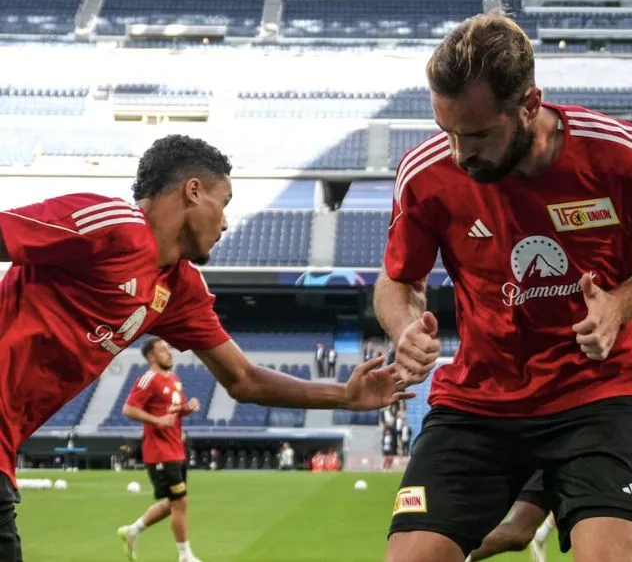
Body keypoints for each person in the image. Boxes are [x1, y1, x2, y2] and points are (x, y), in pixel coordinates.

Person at [376, 10, 632, 560]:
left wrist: (620, 304)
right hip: (479, 401)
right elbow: (398, 281)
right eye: (447, 132)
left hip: (594, 395)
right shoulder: (426, 175)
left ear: (530, 105)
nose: (459, 154)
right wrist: (404, 327)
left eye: (478, 134)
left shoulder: (621, 158)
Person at [0, 134, 412, 562]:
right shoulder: (110, 223)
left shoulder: (180, 289)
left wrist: (343, 395)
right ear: (193, 191)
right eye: (225, 201)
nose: (228, 223)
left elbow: (244, 379)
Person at [466, 316, 632, 562]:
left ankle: (451, 555)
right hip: (592, 420)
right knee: (627, 526)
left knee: (519, 530)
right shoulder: (620, 286)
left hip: (539, 418)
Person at [117, 337, 202, 562]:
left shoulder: (173, 378)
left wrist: (187, 409)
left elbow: (174, 410)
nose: (169, 352)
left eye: (169, 348)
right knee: (180, 502)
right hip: (160, 452)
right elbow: (128, 409)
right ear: (151, 357)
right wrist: (157, 420)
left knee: (174, 503)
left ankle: (132, 531)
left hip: (176, 449)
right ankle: (185, 556)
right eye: (163, 350)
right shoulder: (148, 379)